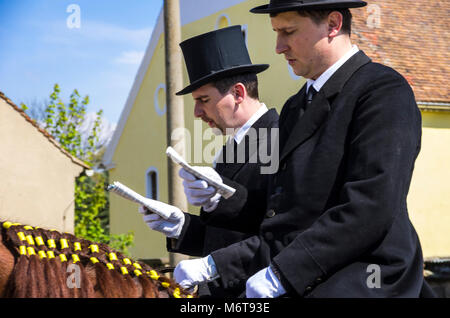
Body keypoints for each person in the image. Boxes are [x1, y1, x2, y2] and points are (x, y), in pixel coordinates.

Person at [174, 0, 435, 298]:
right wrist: (219, 200)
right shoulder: (295, 107)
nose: (278, 46)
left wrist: (281, 274)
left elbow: (370, 208)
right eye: (276, 32)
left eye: (288, 31)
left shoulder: (382, 91)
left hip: (367, 277)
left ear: (333, 25)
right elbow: (281, 213)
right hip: (311, 276)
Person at [138, 26, 279, 297]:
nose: (197, 112)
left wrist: (211, 267)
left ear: (238, 94)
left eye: (204, 100)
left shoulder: (281, 138)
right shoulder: (227, 152)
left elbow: (278, 235)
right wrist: (180, 225)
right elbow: (220, 238)